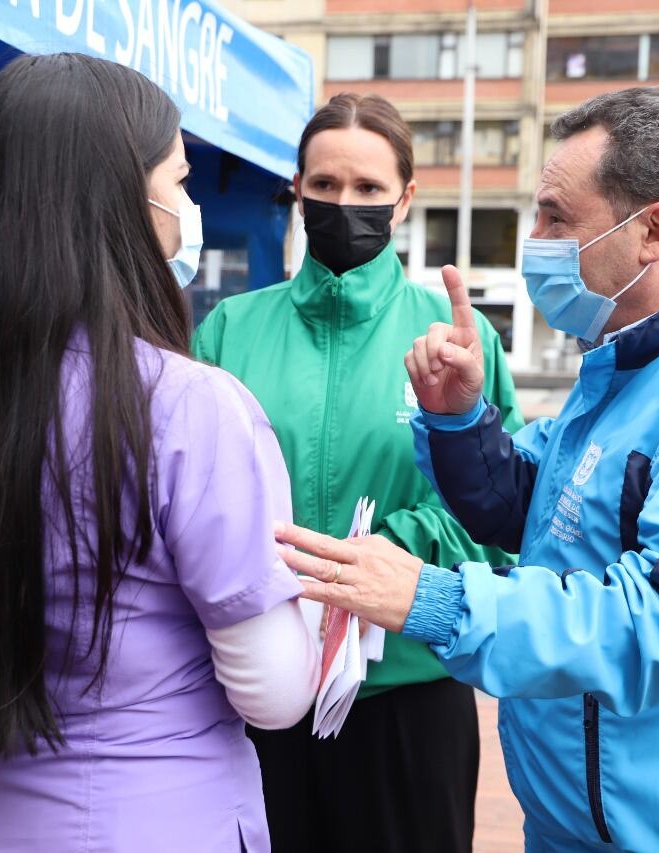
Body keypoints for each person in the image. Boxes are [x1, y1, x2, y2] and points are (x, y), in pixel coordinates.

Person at [277, 86, 659, 852]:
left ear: (654, 231)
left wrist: (437, 600)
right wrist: (458, 421)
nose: (536, 240)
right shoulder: (629, 370)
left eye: (555, 217)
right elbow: (531, 503)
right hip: (577, 824)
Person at [0, 54, 317, 853]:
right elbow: (274, 693)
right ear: (123, 202)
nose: (188, 208)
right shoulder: (191, 407)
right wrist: (317, 612)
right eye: (179, 180)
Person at [192, 92, 522, 853]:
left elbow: (502, 511)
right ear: (297, 190)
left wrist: (386, 554)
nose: (345, 204)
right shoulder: (230, 330)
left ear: (405, 199)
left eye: (369, 187)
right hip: (255, 688)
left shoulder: (457, 338)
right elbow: (190, 496)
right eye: (325, 184)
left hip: (408, 691)